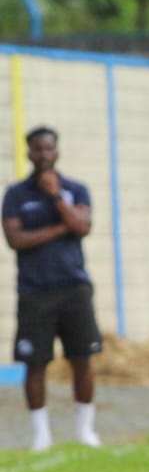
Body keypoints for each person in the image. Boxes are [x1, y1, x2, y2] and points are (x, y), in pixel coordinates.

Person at [2, 125, 102, 451]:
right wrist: (61, 228)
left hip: (74, 288)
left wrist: (56, 196)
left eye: (48, 149)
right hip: (35, 292)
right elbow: (16, 240)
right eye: (37, 149)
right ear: (28, 152)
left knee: (82, 359)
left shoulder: (76, 189)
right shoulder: (16, 195)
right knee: (35, 363)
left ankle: (85, 431)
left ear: (57, 152)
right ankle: (40, 436)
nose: (43, 154)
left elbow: (83, 226)